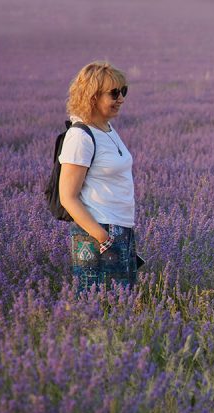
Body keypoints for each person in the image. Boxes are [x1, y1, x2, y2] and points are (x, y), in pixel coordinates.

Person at [59, 61, 138, 292]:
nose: (121, 99)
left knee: (121, 305)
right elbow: (68, 197)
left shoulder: (108, 129)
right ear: (92, 96)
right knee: (97, 305)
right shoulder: (80, 136)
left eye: (123, 91)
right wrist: (101, 236)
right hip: (97, 232)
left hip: (120, 228)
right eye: (114, 93)